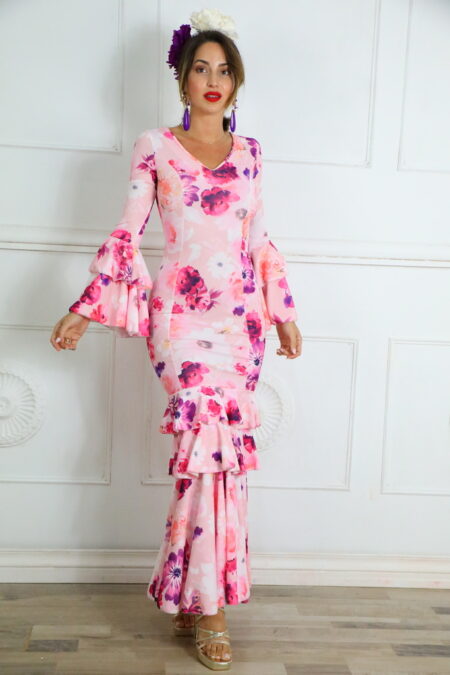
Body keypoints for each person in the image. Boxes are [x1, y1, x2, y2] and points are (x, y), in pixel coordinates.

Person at [50, 9, 302, 671]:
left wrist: (282, 311)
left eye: (224, 70)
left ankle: (195, 595)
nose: (213, 80)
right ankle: (210, 607)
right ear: (182, 79)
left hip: (241, 322)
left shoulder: (251, 153)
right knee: (204, 445)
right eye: (201, 68)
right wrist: (85, 308)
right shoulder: (154, 146)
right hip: (181, 320)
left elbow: (258, 239)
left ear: (235, 82)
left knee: (221, 462)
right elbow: (129, 229)